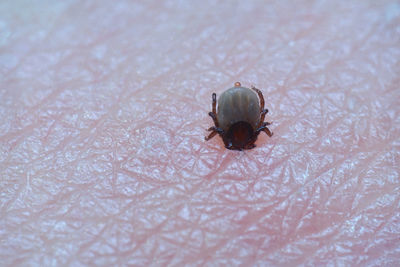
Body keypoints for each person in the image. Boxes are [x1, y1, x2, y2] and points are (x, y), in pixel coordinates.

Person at [1, 0, 399, 265]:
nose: (242, 144)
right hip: (238, 107)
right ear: (244, 130)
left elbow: (236, 117)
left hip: (234, 106)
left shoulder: (227, 125)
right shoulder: (243, 125)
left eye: (240, 139)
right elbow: (258, 115)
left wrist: (230, 121)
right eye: (245, 139)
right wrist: (252, 121)